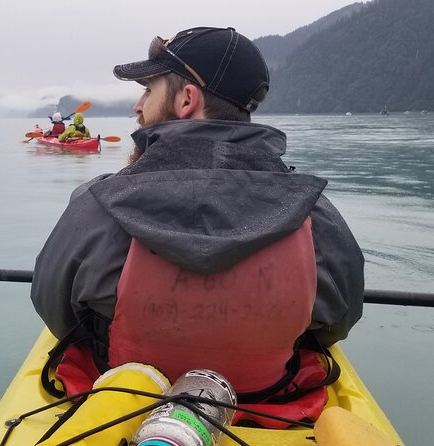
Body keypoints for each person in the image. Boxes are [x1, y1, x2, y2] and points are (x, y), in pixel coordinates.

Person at [30, 27, 364, 423]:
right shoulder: (315, 213)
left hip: (123, 402)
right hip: (270, 404)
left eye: (148, 90)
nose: (138, 106)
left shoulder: (95, 204)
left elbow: (54, 310)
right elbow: (338, 322)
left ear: (187, 99)